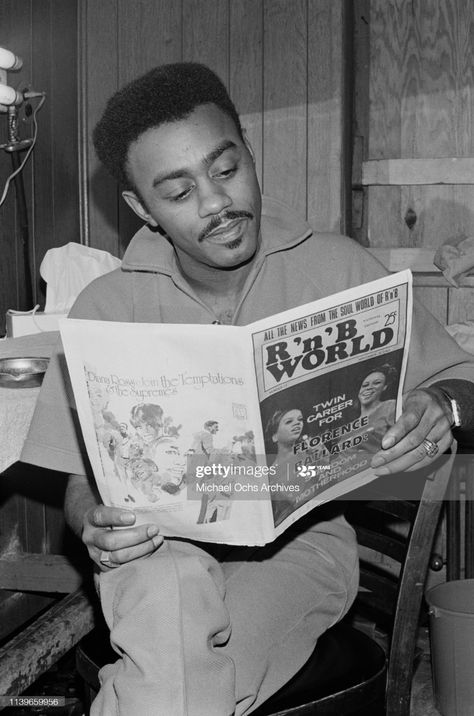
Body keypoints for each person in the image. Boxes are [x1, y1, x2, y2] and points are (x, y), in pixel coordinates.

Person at [21, 62, 474, 716]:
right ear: (141, 209)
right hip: (157, 550)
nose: (216, 203)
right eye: (177, 192)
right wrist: (91, 519)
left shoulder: (337, 267)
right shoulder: (106, 306)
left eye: (226, 170)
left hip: (300, 548)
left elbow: (464, 378)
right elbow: (76, 477)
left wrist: (441, 405)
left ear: (251, 156)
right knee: (173, 621)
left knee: (173, 683)